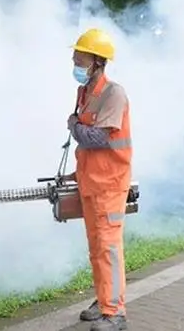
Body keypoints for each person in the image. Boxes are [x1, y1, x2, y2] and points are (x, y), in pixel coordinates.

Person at [64, 28, 133, 331]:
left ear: (96, 60)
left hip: (110, 184)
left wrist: (73, 126)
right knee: (96, 247)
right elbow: (86, 143)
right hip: (91, 182)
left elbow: (98, 138)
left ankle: (115, 313)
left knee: (109, 247)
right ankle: (103, 299)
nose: (74, 58)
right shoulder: (86, 92)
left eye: (79, 54)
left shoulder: (113, 93)